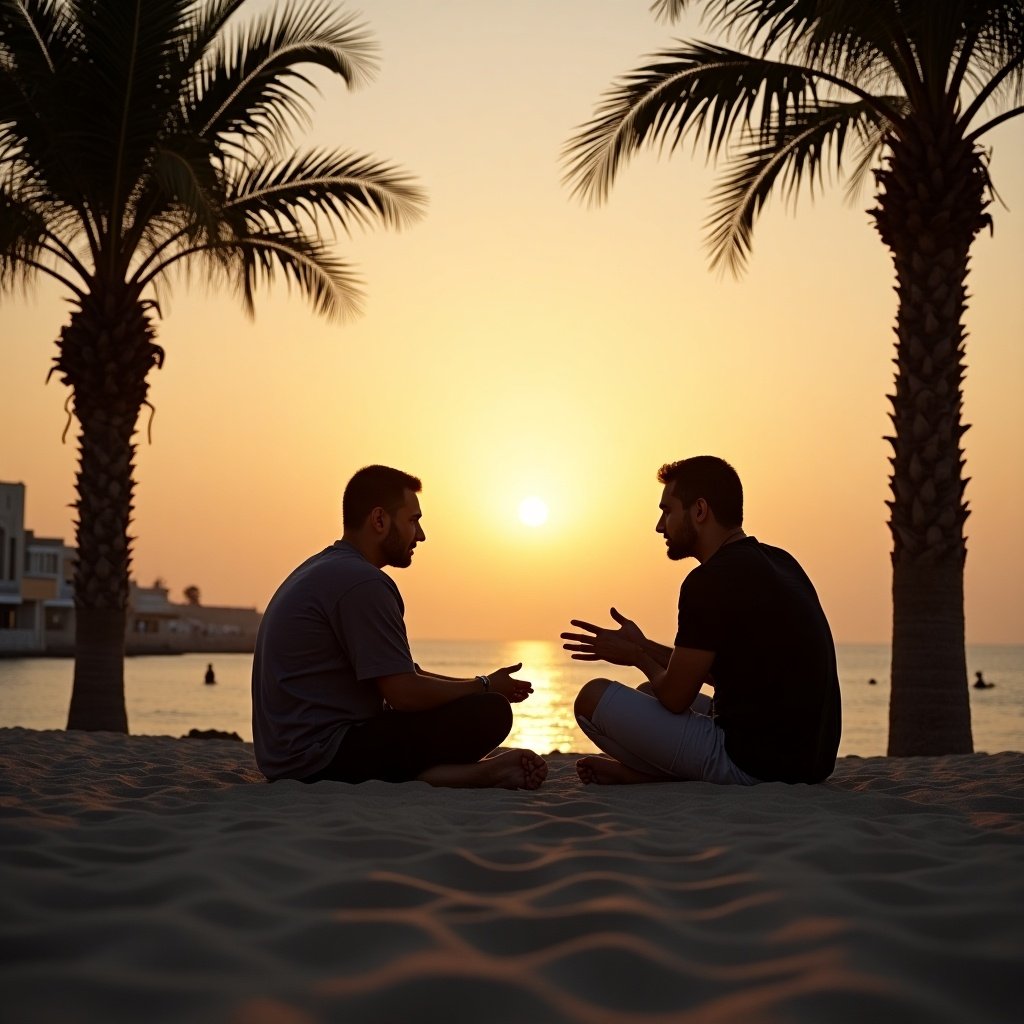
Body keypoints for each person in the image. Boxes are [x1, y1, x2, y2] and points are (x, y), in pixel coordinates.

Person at [252, 465, 547, 790]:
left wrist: (485, 682)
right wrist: (485, 687)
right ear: (379, 520)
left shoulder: (326, 569)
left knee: (479, 700)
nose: (420, 535)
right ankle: (465, 774)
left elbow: (403, 674)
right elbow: (404, 694)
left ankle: (449, 775)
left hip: (285, 756)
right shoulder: (363, 583)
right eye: (412, 520)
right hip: (320, 757)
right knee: (490, 713)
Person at [561, 456, 841, 786]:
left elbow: (676, 698)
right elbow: (718, 671)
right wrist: (644, 645)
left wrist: (635, 657)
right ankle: (647, 773)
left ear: (699, 511)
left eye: (667, 510)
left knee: (591, 698)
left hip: (753, 763)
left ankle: (650, 775)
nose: (659, 526)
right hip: (813, 761)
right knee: (647, 691)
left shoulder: (708, 581)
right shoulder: (781, 563)